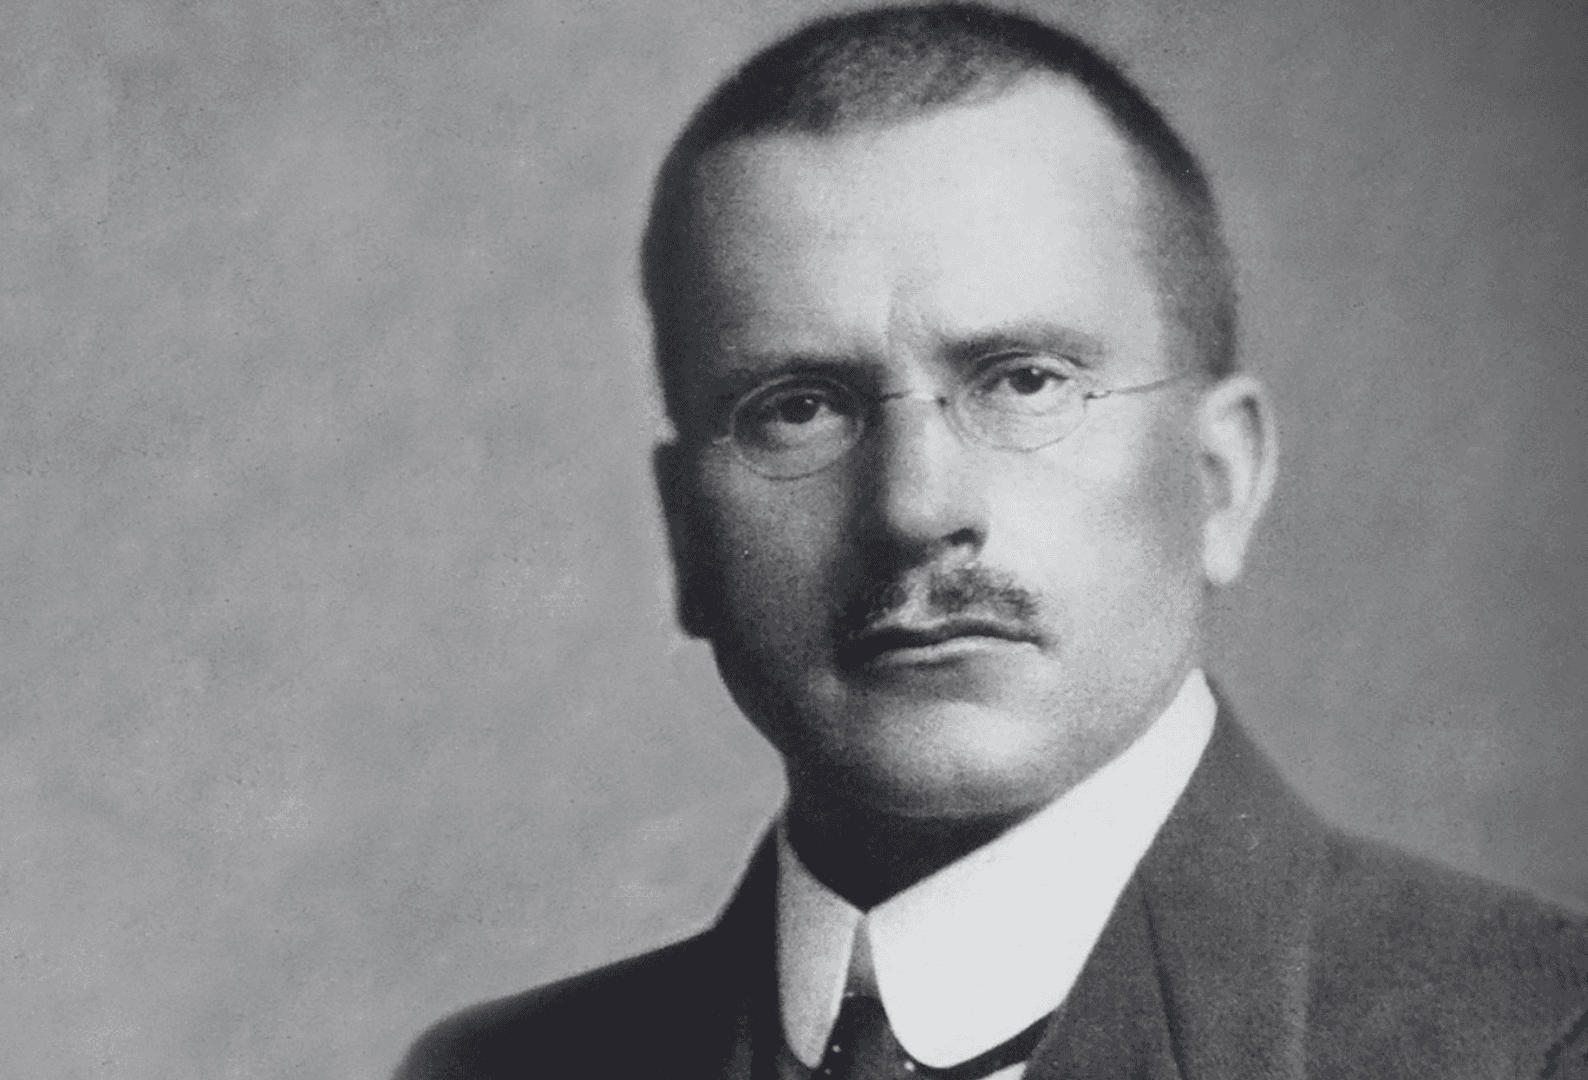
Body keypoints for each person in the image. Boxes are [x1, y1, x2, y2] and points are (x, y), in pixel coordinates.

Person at [397, 5, 1588, 1078]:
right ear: (685, 538)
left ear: (1219, 482)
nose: (914, 507)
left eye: (1025, 381)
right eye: (799, 409)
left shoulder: (1539, 1044)